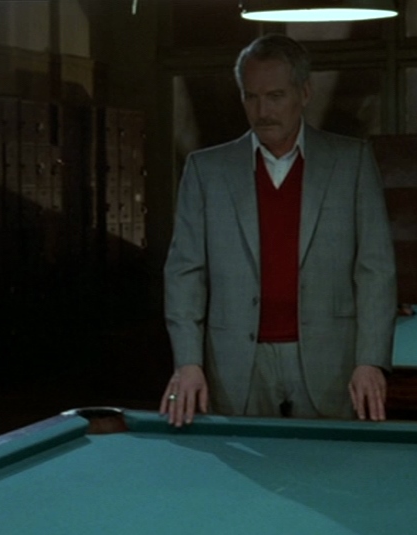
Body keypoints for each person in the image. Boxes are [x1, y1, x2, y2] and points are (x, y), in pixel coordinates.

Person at [160, 33, 397, 426]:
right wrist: (187, 362)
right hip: (235, 365)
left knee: (329, 464)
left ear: (305, 93)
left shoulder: (351, 162)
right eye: (251, 97)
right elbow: (184, 272)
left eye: (275, 96)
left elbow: (376, 270)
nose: (262, 111)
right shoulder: (206, 170)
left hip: (329, 361)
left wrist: (370, 360)